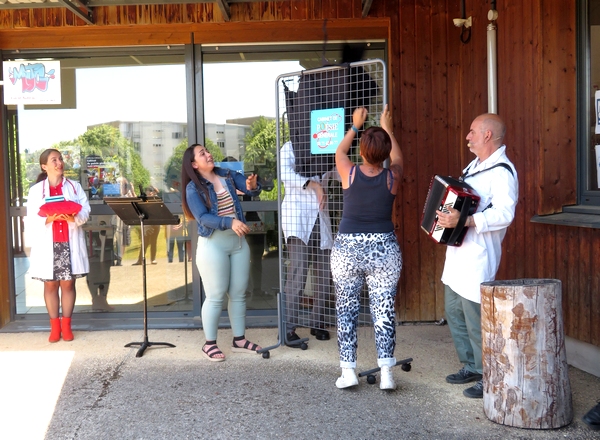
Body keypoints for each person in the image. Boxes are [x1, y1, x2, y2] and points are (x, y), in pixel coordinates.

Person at [435, 113, 518, 399]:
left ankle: (488, 374)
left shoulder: (503, 171)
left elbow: (506, 213)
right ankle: (471, 365)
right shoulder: (473, 167)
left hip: (479, 256)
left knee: (475, 319)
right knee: (454, 312)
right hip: (458, 253)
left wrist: (467, 221)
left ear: (487, 135)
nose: (467, 136)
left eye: (472, 131)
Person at [331, 105, 403, 390]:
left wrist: (355, 126)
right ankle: (387, 373)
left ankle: (348, 371)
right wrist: (387, 127)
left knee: (346, 309)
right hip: (384, 249)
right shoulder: (392, 177)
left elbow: (339, 152)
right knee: (383, 311)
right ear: (384, 154)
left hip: (347, 250)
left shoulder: (348, 173)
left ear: (361, 152)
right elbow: (397, 157)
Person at [181, 143, 263, 361]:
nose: (208, 154)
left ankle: (239, 339)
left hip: (237, 243)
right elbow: (204, 218)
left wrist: (252, 186)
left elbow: (248, 188)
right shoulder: (193, 188)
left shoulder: (227, 175)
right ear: (193, 164)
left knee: (238, 294)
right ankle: (209, 344)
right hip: (213, 244)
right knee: (216, 296)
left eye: (207, 151)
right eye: (202, 154)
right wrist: (230, 221)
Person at [26, 149, 91, 342]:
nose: (59, 163)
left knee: (68, 283)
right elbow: (30, 219)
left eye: (60, 159)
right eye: (54, 160)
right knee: (51, 284)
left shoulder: (74, 186)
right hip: (49, 243)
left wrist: (74, 216)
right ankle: (55, 327)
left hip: (69, 242)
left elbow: (85, 210)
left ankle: (67, 326)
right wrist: (49, 218)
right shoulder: (36, 190)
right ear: (44, 166)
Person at [280, 140, 336, 345]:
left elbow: (341, 172)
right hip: (298, 218)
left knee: (325, 273)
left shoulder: (329, 144)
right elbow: (284, 173)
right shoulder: (291, 145)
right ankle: (288, 328)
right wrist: (313, 184)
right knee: (299, 272)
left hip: (321, 218)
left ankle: (318, 323)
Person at [133, 186, 160, 265]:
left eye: (150, 192)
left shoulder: (155, 199)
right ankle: (140, 260)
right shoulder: (144, 200)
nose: (149, 193)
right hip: (147, 224)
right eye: (148, 192)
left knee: (153, 241)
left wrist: (155, 192)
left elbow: (157, 194)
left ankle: (153, 259)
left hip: (155, 224)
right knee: (145, 242)